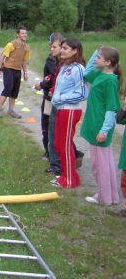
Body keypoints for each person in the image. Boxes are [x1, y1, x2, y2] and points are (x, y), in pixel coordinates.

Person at [80, 46, 122, 205]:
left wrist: (104, 130)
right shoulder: (99, 74)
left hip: (100, 128)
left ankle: (104, 197)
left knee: (99, 165)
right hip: (94, 125)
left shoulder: (110, 81)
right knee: (106, 163)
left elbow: (111, 109)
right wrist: (94, 53)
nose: (95, 59)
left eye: (98, 57)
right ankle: (112, 196)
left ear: (108, 62)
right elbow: (86, 73)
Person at [50, 38, 88, 189]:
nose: (62, 50)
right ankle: (65, 176)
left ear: (75, 51)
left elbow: (83, 93)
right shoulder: (65, 66)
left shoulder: (79, 69)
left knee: (65, 146)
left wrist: (60, 98)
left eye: (65, 48)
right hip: (61, 110)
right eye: (62, 48)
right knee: (59, 144)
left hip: (70, 110)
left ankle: (71, 180)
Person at [34, 33, 64, 159]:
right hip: (55, 97)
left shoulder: (53, 59)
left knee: (48, 126)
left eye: (54, 46)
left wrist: (42, 84)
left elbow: (56, 78)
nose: (51, 48)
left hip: (52, 98)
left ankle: (51, 155)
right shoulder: (61, 60)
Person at [0, 27, 31, 119]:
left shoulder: (26, 47)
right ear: (17, 34)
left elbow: (24, 61)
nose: (25, 35)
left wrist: (25, 73)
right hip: (8, 68)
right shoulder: (11, 44)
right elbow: (2, 56)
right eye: (22, 33)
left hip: (17, 70)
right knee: (8, 88)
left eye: (25, 33)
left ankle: (11, 110)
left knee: (15, 91)